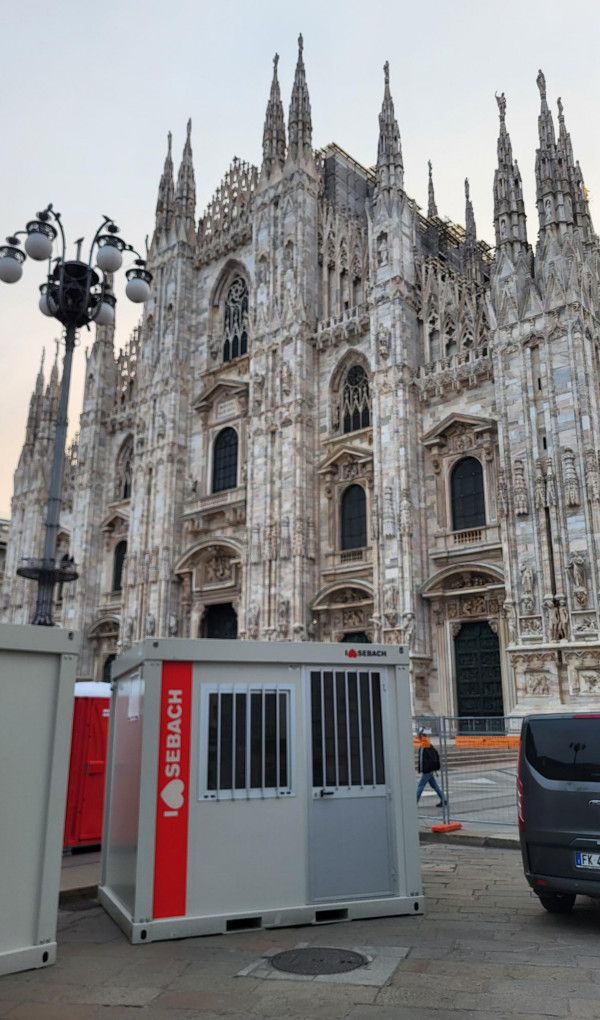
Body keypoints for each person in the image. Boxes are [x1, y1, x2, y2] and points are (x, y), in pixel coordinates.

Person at [416, 730, 447, 806]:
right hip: (429, 770)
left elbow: (425, 760)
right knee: (434, 785)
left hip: (427, 770)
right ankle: (444, 799)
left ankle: (415, 801)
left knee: (420, 785)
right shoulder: (427, 746)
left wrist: (424, 769)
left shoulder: (425, 747)